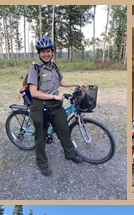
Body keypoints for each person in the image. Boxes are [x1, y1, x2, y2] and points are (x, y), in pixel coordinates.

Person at [28, 36, 85, 176]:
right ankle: (42, 162)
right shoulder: (35, 68)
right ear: (39, 54)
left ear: (52, 52)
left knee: (64, 130)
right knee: (40, 136)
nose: (46, 54)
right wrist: (53, 96)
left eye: (48, 51)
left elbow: (61, 81)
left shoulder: (54, 67)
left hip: (55, 106)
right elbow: (33, 92)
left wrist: (75, 83)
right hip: (40, 106)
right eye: (43, 52)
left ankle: (70, 154)